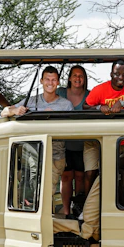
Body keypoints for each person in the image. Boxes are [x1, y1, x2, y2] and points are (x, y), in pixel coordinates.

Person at [2, 66, 73, 197]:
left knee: (47, 191)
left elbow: (72, 129)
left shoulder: (66, 105)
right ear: (41, 81)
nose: (50, 83)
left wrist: (54, 118)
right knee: (34, 189)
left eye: (53, 80)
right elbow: (4, 112)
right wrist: (15, 111)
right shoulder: (31, 100)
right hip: (34, 151)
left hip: (55, 153)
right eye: (47, 79)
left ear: (58, 82)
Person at [83, 60, 124, 197]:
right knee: (91, 172)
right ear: (111, 74)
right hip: (96, 137)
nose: (121, 78)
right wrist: (99, 108)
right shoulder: (100, 90)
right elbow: (85, 107)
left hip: (117, 138)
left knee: (115, 172)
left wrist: (122, 103)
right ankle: (85, 205)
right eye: (117, 74)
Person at [56, 66, 90, 217]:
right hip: (64, 143)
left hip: (83, 143)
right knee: (66, 177)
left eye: (81, 76)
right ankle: (66, 211)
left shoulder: (89, 95)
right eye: (75, 75)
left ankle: (79, 210)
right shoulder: (60, 93)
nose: (78, 78)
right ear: (69, 78)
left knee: (80, 177)